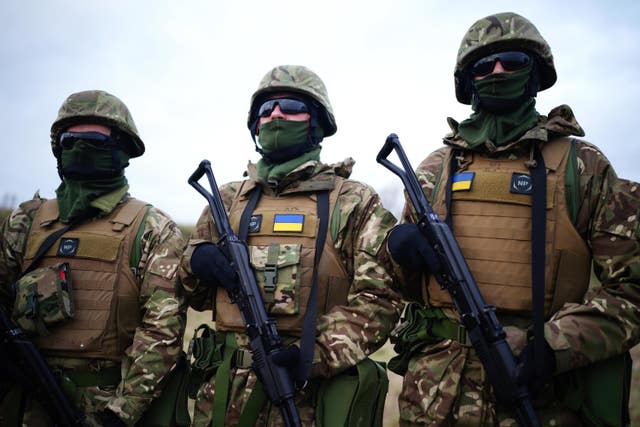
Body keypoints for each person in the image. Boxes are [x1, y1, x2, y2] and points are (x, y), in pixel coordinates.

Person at [386, 12, 640, 427]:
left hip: (542, 396)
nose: (497, 72)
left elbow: (631, 291)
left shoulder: (584, 166)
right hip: (438, 400)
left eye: (512, 62)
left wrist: (556, 345)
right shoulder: (435, 169)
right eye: (483, 66)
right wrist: (399, 250)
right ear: (468, 84)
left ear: (535, 73)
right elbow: (402, 292)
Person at [179, 64, 403, 426]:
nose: (276, 115)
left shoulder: (353, 202)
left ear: (316, 123)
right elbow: (192, 295)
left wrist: (315, 353)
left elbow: (381, 299)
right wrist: (196, 262)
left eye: (291, 107)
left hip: (309, 395)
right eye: (266, 110)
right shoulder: (226, 201)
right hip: (224, 397)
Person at [0, 90, 187, 426]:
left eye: (95, 140)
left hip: (104, 407)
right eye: (71, 139)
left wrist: (120, 413)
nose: (80, 147)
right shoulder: (24, 222)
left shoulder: (152, 228)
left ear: (123, 150)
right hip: (22, 402)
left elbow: (162, 333)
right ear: (57, 149)